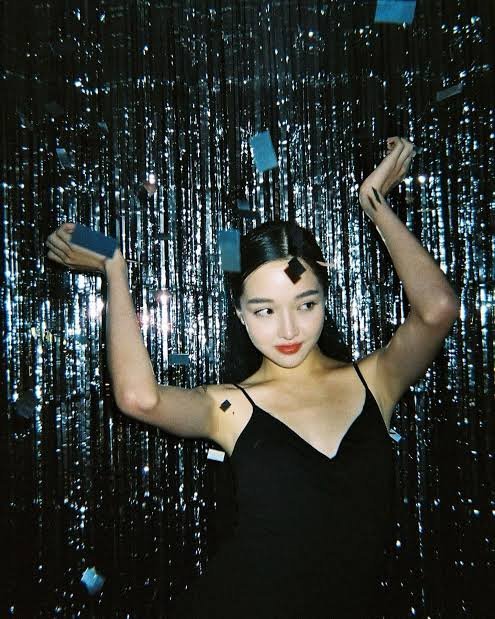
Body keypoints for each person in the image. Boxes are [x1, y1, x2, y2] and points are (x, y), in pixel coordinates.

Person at [45, 137, 460, 618]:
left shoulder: (375, 380)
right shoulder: (232, 406)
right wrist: (113, 264)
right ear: (240, 315)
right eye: (264, 310)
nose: (289, 330)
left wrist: (375, 202)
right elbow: (140, 398)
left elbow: (438, 309)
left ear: (326, 299)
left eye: (305, 304)